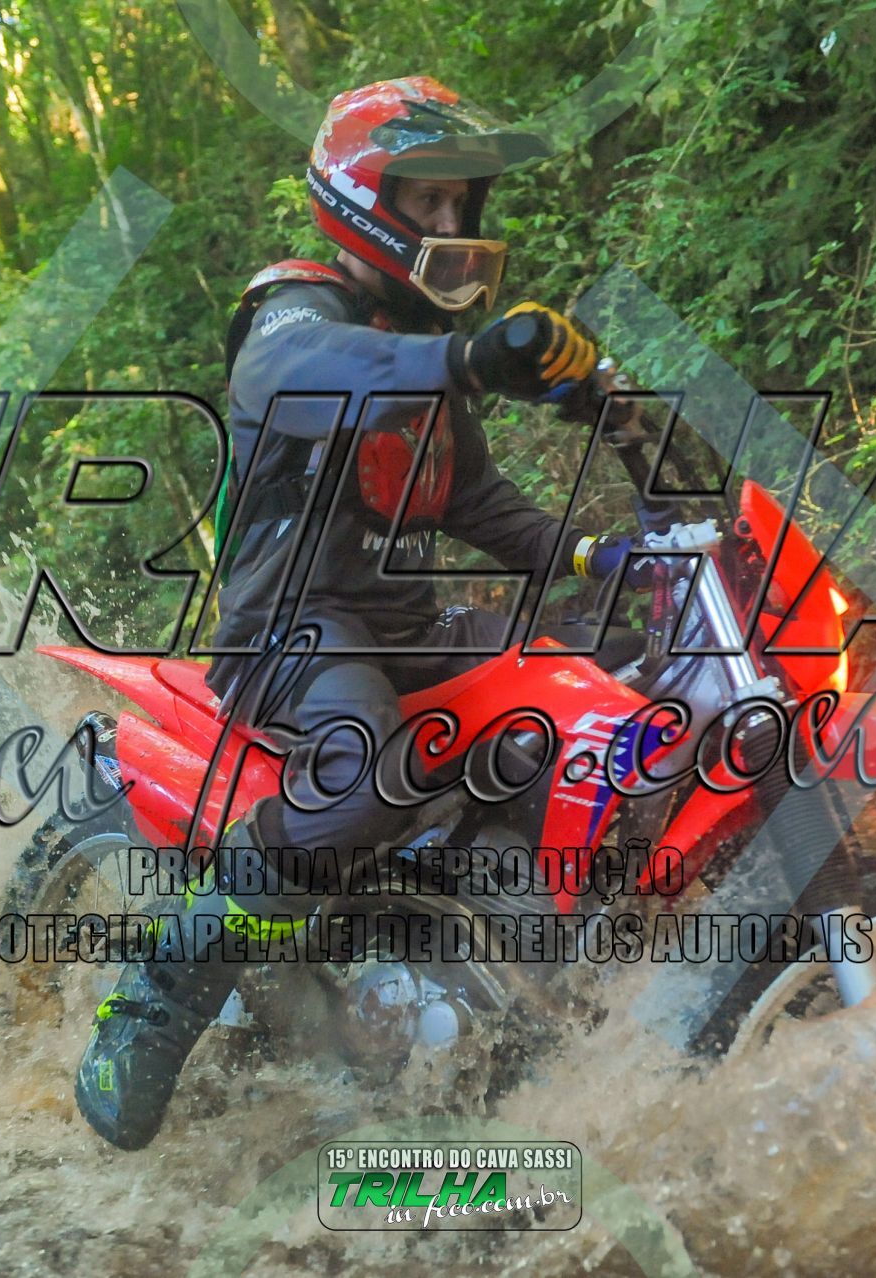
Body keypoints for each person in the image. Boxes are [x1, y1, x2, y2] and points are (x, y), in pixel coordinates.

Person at [76, 77, 646, 1150]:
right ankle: (151, 1001)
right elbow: (296, 372)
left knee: (617, 680)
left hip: (405, 632)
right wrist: (467, 359)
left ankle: (528, 951)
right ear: (363, 202)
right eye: (428, 198)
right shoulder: (301, 313)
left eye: (462, 201)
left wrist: (607, 556)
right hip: (288, 633)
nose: (452, 219)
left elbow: (480, 502)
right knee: (357, 775)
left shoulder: (422, 341)